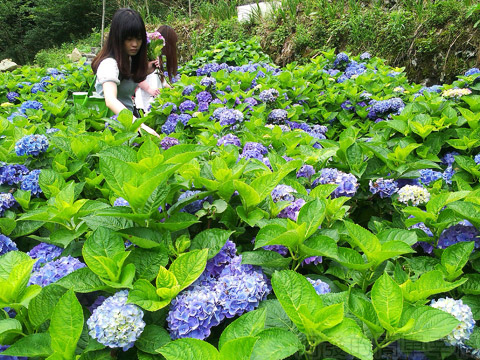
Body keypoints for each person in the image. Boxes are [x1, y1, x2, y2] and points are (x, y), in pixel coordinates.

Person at [91, 8, 159, 136]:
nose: (135, 44)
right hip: (113, 128)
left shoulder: (128, 60)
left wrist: (149, 68)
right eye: (129, 39)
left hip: (127, 124)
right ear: (117, 38)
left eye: (139, 39)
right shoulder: (109, 64)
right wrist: (140, 127)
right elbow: (110, 100)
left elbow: (130, 79)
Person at [135, 25, 178, 114]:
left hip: (154, 102)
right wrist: (149, 89)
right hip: (144, 103)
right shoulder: (148, 58)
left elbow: (160, 81)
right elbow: (137, 76)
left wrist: (174, 90)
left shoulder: (157, 59)